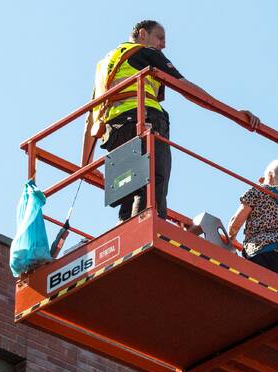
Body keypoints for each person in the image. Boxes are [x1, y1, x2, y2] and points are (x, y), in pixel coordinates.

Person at [86, 20, 259, 221]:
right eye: (159, 37)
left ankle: (129, 231)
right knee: (153, 180)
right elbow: (184, 87)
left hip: (114, 132)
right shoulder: (144, 52)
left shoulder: (105, 65)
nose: (163, 45)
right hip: (143, 120)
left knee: (130, 187)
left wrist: (85, 164)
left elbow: (91, 115)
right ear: (142, 34)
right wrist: (231, 113)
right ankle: (149, 229)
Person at [227, 160, 278, 283]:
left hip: (263, 253)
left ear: (270, 175)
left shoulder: (259, 190)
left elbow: (236, 221)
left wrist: (231, 238)